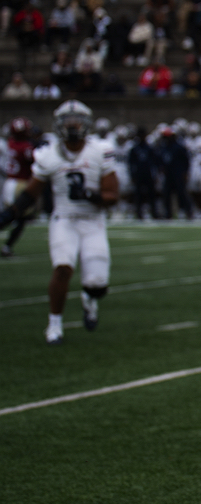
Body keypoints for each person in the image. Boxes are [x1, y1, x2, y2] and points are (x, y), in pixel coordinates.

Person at [0, 101, 118, 344]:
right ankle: (54, 325)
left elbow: (112, 196)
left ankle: (89, 298)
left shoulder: (99, 151)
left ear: (86, 124)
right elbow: (31, 192)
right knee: (63, 268)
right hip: (63, 219)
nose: (72, 126)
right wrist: (9, 215)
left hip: (92, 221)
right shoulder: (49, 154)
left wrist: (91, 196)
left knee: (97, 285)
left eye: (77, 121)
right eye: (67, 121)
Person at [2, 117, 38, 257]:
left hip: (9, 182)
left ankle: (7, 247)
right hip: (20, 183)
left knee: (10, 215)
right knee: (18, 217)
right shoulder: (26, 147)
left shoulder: (10, 143)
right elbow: (34, 161)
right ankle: (7, 247)